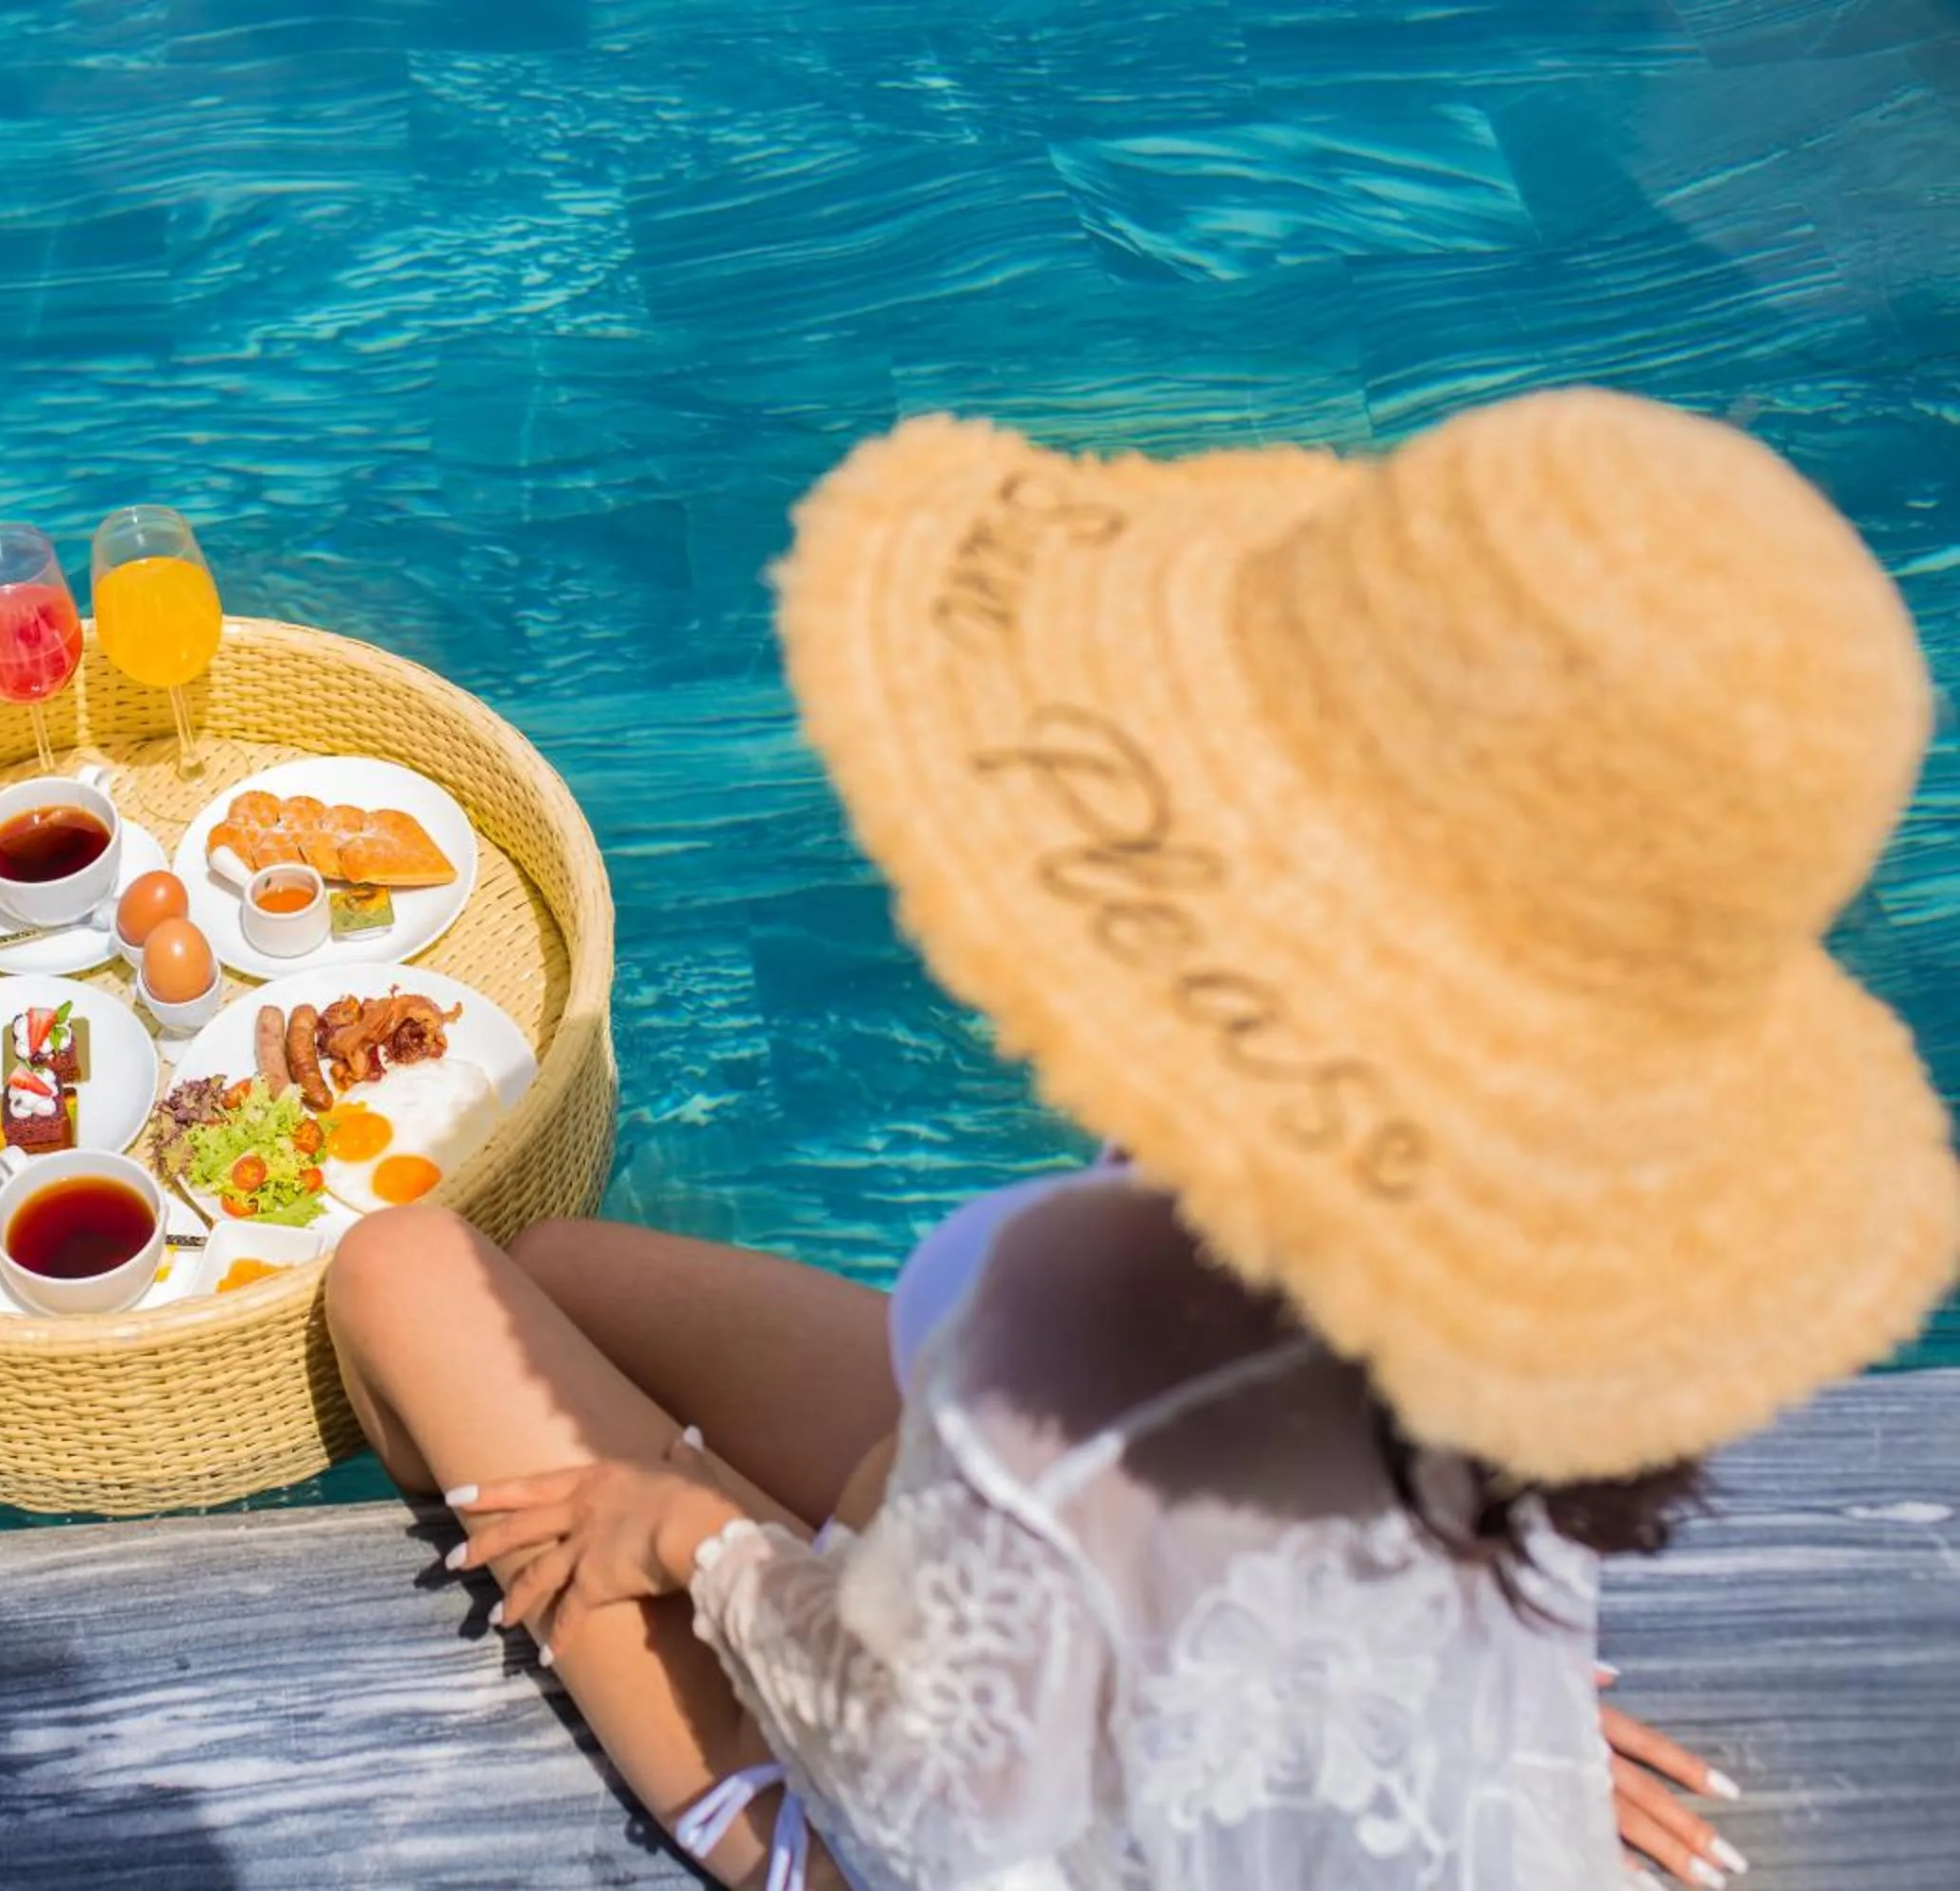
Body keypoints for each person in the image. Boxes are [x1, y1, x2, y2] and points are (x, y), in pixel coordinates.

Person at [323, 388, 1960, 1889]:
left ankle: (583, 1527)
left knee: (402, 1264)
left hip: (948, 1822)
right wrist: (1447, 1750)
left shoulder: (1075, 1311)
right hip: (1179, 1697)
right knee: (561, 1267)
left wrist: (700, 1542)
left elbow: (933, 1792)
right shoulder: (1573, 1225)